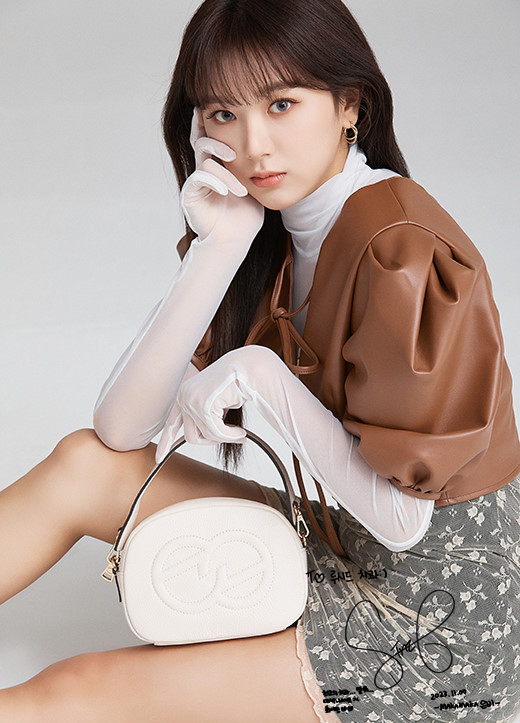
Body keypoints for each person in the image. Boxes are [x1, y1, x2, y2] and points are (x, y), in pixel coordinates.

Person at [1, 0, 519, 721]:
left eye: (281, 104)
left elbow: (404, 521)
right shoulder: (272, 231)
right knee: (82, 463)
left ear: (350, 105)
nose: (253, 146)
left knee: (70, 690)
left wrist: (260, 374)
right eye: (223, 114)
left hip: (444, 622)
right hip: (343, 542)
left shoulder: (403, 253)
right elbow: (119, 432)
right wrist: (219, 247)